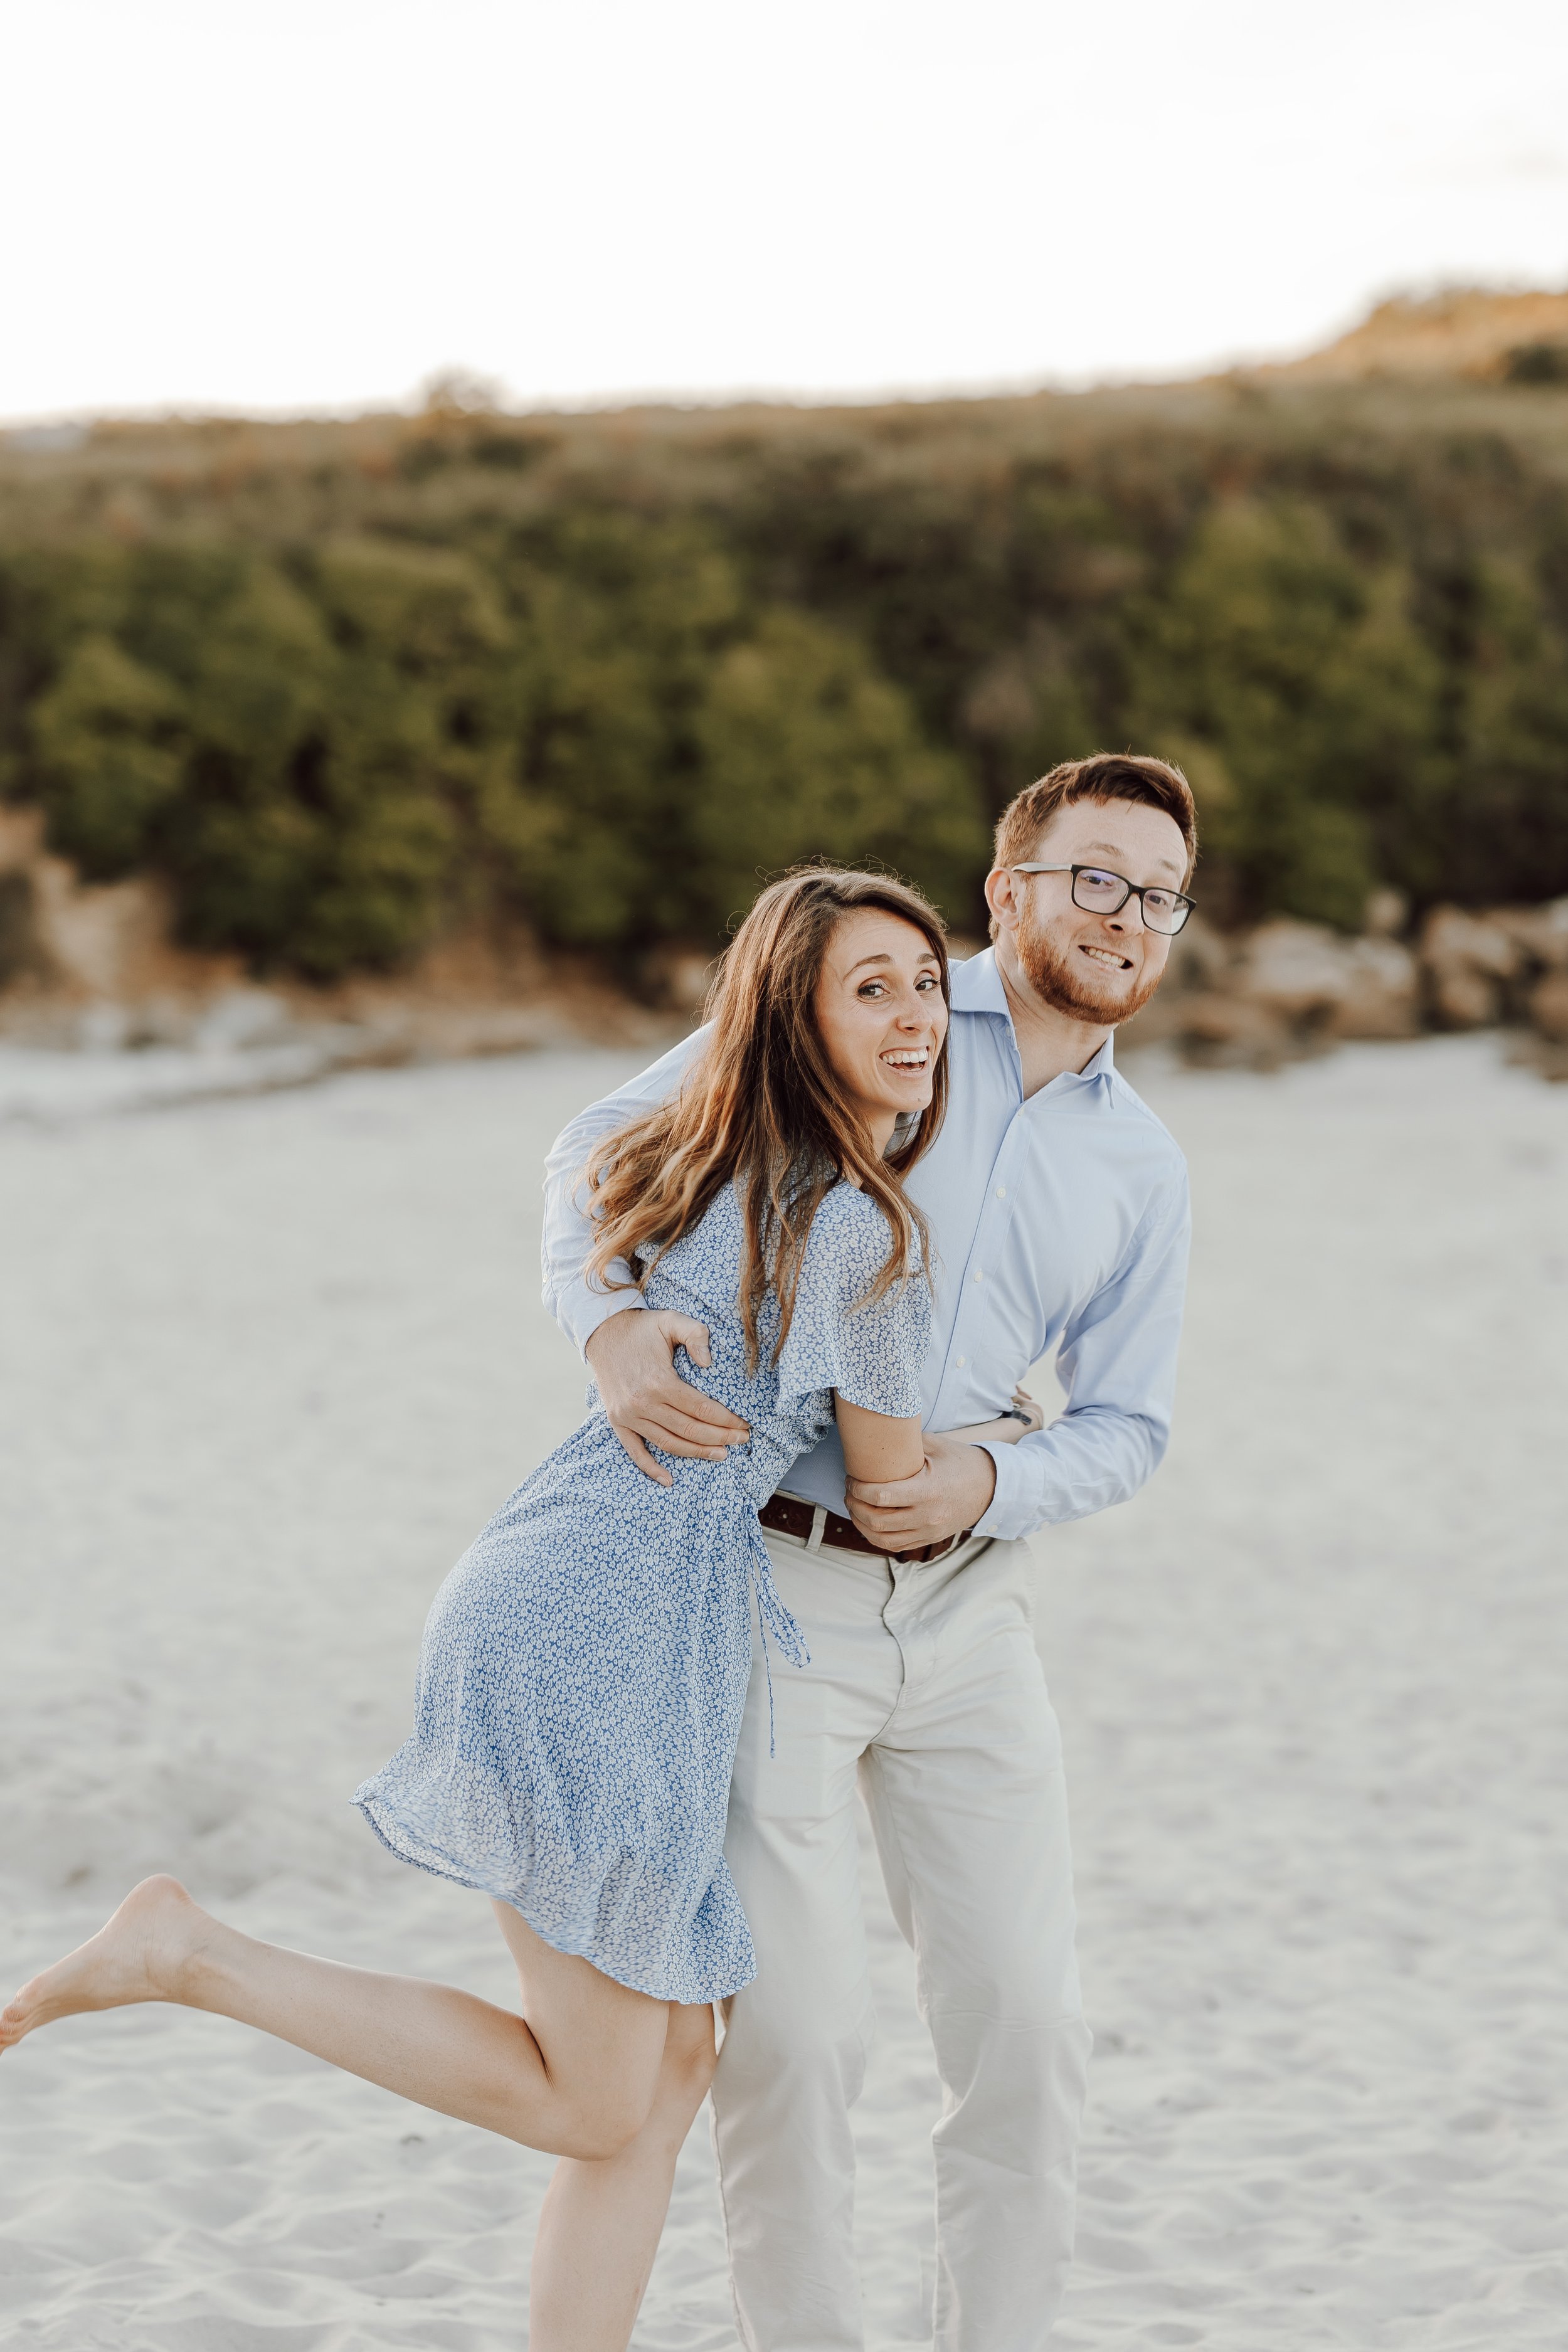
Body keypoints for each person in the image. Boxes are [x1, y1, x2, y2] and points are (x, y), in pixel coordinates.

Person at [0, 869, 1039, 2352]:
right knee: (603, 2088)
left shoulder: (714, 1161)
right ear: (794, 1019)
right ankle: (192, 1956)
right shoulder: (862, 1234)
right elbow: (887, 1491)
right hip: (595, 1632)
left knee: (668, 2070)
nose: (916, 1014)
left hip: (592, 1602)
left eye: (926, 984)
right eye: (868, 987)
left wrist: (615, 1324)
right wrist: (1019, 1436)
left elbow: (589, 1183)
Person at [544, 752, 1197, 2351]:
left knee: (1028, 2033)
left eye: (1159, 895)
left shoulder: (1143, 1167)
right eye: (1091, 877)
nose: (1124, 918)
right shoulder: (868, 1009)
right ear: (1010, 889)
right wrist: (607, 1324)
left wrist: (988, 1482)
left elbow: (1127, 1424)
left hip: (974, 1619)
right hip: (773, 1586)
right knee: (793, 2037)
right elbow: (599, 1147)